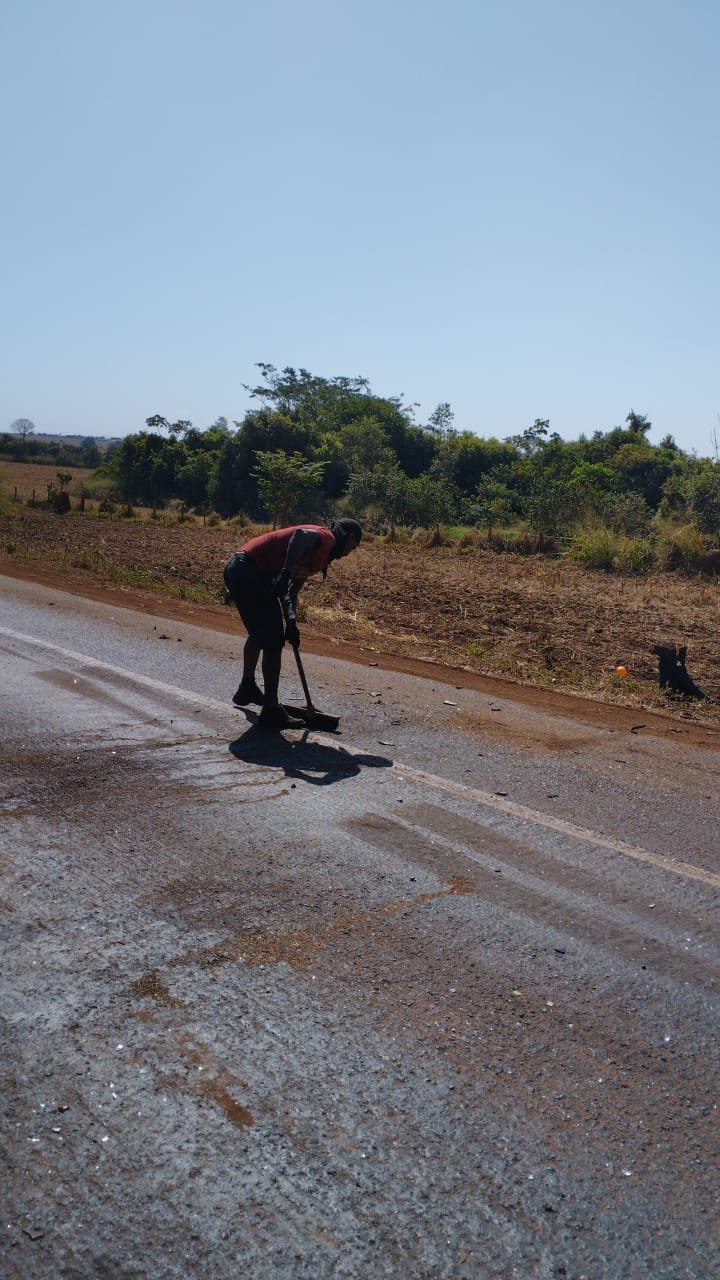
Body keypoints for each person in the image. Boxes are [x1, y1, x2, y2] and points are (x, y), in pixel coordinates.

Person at [223, 518, 363, 729]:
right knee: (272, 641)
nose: (349, 553)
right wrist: (285, 573)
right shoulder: (326, 537)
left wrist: (291, 624)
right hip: (248, 570)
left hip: (240, 570)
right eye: (353, 546)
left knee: (262, 633)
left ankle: (247, 687)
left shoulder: (318, 557)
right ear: (349, 536)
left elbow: (292, 592)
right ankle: (271, 710)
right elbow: (300, 535)